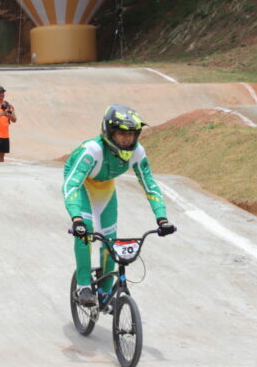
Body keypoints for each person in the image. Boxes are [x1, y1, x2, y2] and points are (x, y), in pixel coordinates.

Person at [63, 105, 176, 307]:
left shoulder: (137, 152)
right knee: (85, 232)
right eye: (122, 134)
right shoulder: (93, 150)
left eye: (131, 134)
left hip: (105, 188)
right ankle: (83, 286)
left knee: (110, 240)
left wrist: (162, 218)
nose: (127, 139)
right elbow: (72, 185)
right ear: (109, 132)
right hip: (82, 185)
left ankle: (105, 292)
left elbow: (149, 184)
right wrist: (76, 218)